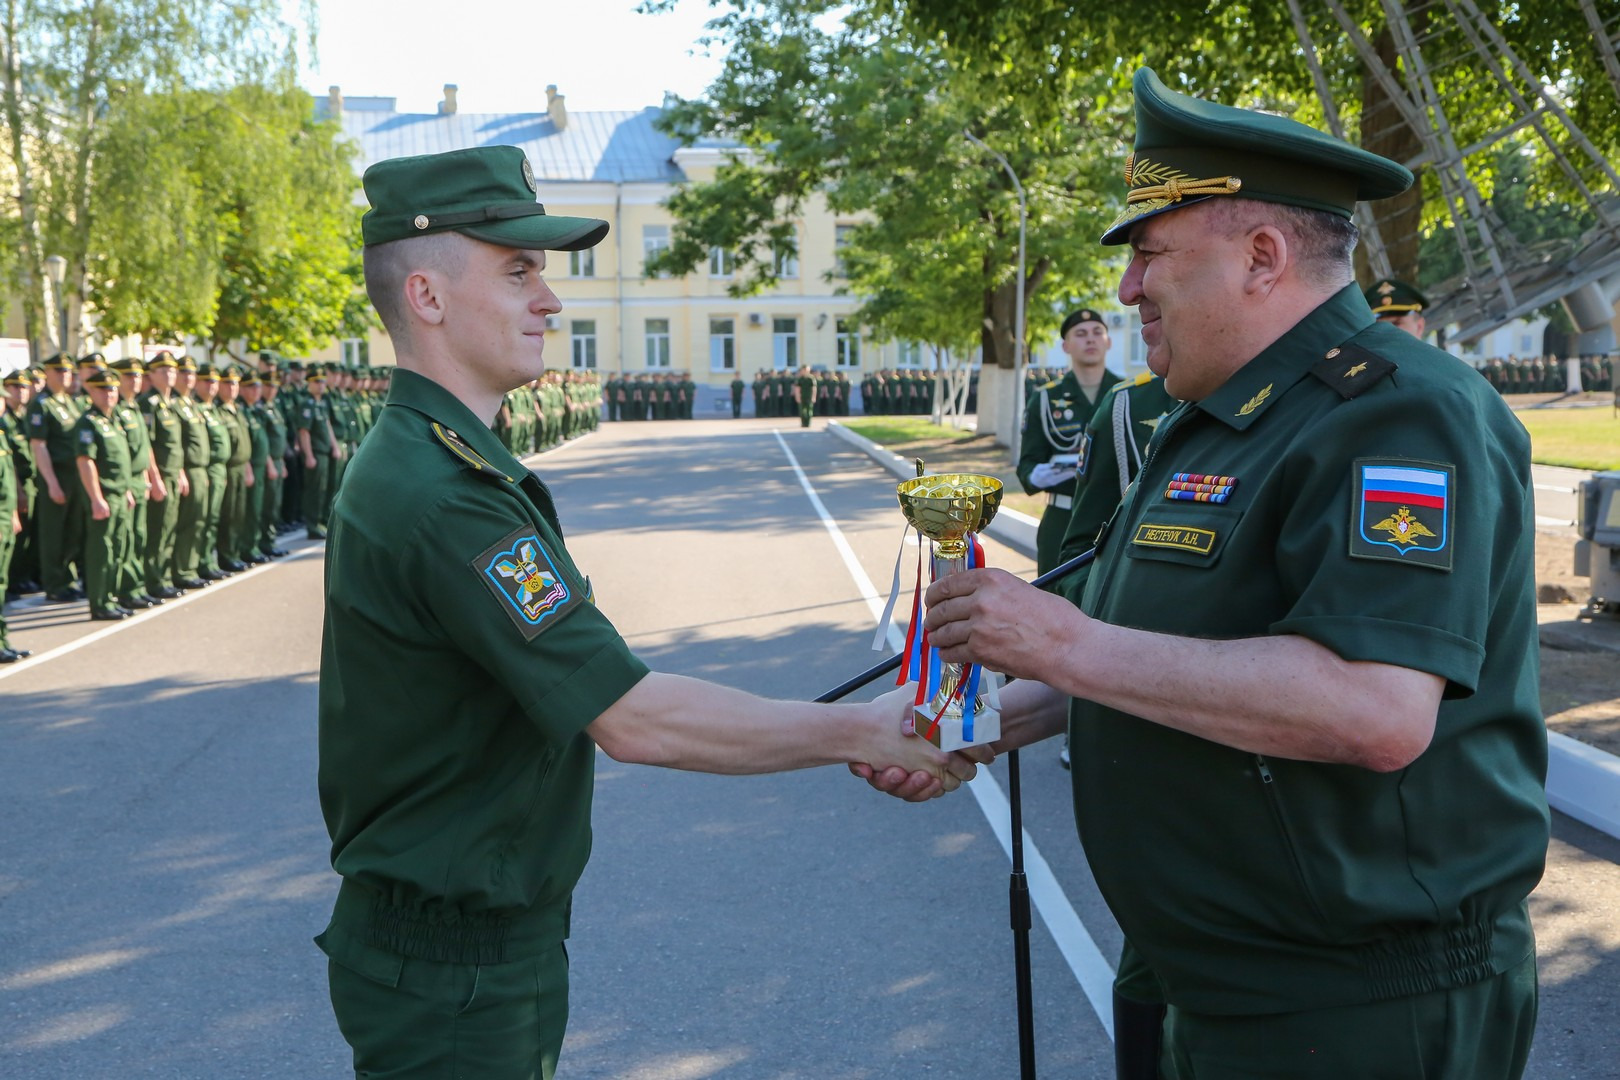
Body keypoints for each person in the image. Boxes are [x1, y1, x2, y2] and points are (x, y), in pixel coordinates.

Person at [872, 67, 1550, 1078]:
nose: (1125, 290)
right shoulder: (1223, 417)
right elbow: (1176, 652)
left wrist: (1064, 639)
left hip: (1362, 1006)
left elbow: (1373, 709)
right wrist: (984, 720)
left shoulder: (1399, 415)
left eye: (1150, 254)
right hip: (1228, 987)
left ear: (1263, 257)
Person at [316, 145, 978, 1080]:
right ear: (426, 296)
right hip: (455, 975)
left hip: (461, 953)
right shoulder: (444, 494)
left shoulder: (438, 464)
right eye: (518, 273)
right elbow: (631, 715)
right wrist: (865, 728)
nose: (550, 301)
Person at [1017, 308, 1121, 574]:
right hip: (1062, 520)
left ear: (1108, 341)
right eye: (1081, 334)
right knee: (1053, 601)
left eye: (1098, 333)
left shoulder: (1128, 395)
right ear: (1066, 345)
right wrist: (1039, 476)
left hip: (1115, 519)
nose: (1091, 339)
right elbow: (1027, 465)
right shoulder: (1045, 398)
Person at [73, 368, 138, 621]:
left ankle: (111, 597)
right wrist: (96, 498)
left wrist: (128, 490)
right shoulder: (88, 422)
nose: (109, 393)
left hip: (120, 493)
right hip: (105, 494)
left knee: (118, 549)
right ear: (91, 391)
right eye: (103, 389)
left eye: (112, 388)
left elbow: (121, 461)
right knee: (102, 551)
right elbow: (85, 461)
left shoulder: (114, 419)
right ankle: (99, 602)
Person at [26, 353, 86, 602]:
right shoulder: (42, 404)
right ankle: (54, 583)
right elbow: (39, 446)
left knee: (73, 530)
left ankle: (67, 577)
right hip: (57, 475)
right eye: (59, 371)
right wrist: (51, 483)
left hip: (75, 476)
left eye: (68, 371)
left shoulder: (70, 402)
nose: (65, 375)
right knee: (54, 533)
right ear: (48, 374)